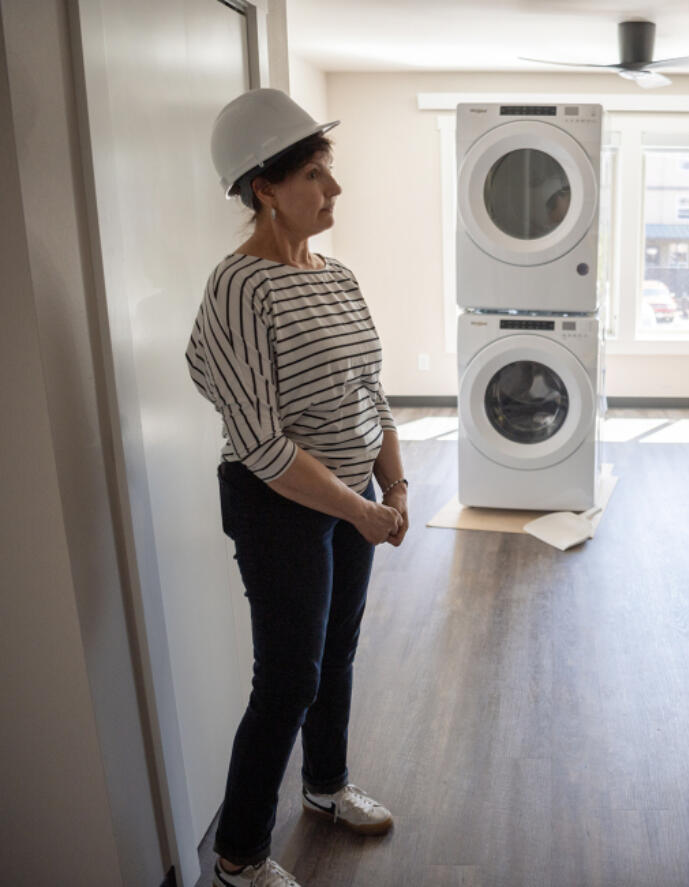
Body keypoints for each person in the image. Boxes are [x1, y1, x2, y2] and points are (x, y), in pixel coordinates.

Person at [186, 88, 406, 887]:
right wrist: (365, 512)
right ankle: (239, 855)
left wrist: (398, 486)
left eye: (328, 171)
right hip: (279, 505)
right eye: (316, 175)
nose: (333, 190)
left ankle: (324, 784)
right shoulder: (240, 288)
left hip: (354, 499)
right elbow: (261, 444)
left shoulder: (335, 275)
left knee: (335, 655)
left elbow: (369, 391)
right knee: (286, 678)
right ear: (263, 188)